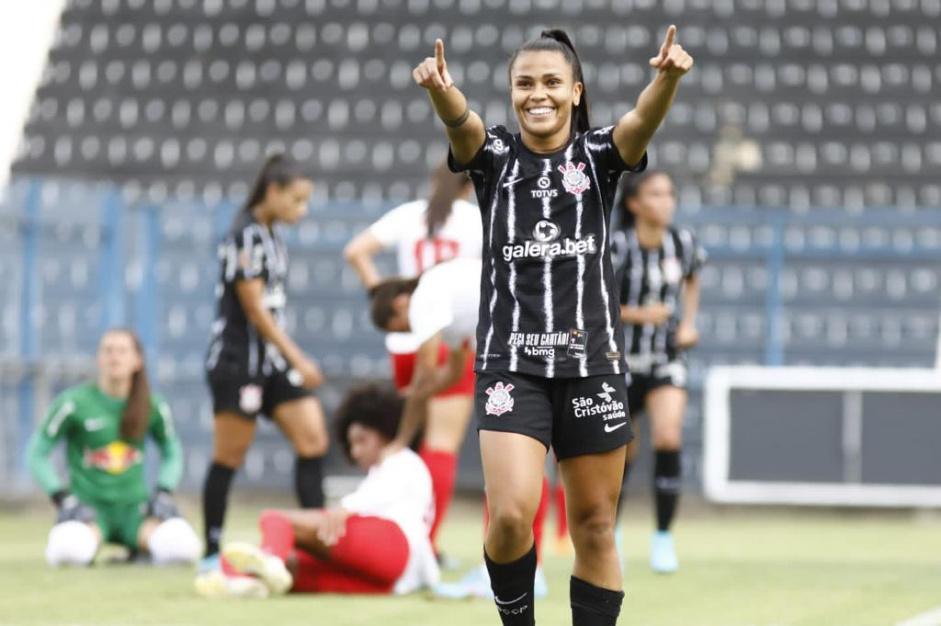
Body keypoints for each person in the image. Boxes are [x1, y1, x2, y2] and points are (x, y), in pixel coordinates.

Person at [412, 23, 693, 626]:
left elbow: (641, 122)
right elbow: (461, 125)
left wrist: (665, 80)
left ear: (574, 91)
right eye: (524, 83)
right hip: (511, 366)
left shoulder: (597, 158)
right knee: (511, 514)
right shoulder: (493, 158)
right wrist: (441, 90)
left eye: (550, 82)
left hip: (592, 367)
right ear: (511, 92)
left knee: (594, 525)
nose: (536, 94)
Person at [343, 161, 481, 556]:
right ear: (468, 189)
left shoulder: (407, 216)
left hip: (419, 344)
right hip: (444, 331)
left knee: (414, 447)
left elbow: (355, 251)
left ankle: (403, 533)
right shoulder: (474, 220)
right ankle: (425, 544)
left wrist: (379, 293)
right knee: (439, 449)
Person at [201, 154, 329, 572]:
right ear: (272, 193)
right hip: (240, 364)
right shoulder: (244, 235)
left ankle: (319, 547)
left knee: (313, 440)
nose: (302, 210)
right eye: (297, 200)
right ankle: (211, 550)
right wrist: (299, 357)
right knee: (230, 455)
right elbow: (254, 310)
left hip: (273, 364)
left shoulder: (273, 236)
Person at [195, 383, 439, 598]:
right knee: (292, 569)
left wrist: (346, 507)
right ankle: (242, 581)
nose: (355, 452)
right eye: (351, 443)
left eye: (362, 440)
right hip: (393, 579)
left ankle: (267, 562)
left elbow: (376, 495)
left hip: (392, 546)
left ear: (385, 433)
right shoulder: (392, 471)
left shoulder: (401, 459)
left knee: (276, 519)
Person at [26, 328, 199, 567]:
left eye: (122, 351)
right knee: (67, 553)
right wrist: (61, 497)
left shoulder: (152, 404)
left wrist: (164, 491)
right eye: (107, 350)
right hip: (89, 513)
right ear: (98, 358)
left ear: (137, 360)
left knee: (184, 549)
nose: (114, 357)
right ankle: (89, 549)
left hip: (135, 513)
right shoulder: (74, 403)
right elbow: (36, 453)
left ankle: (141, 552)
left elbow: (172, 451)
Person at [611, 170, 705, 574]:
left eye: (670, 193)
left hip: (665, 358)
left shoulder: (681, 243)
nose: (666, 201)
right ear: (634, 204)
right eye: (656, 194)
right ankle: (607, 532)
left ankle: (663, 536)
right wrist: (636, 314)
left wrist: (687, 323)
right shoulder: (615, 247)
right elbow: (590, 305)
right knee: (620, 453)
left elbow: (692, 279)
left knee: (668, 435)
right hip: (618, 362)